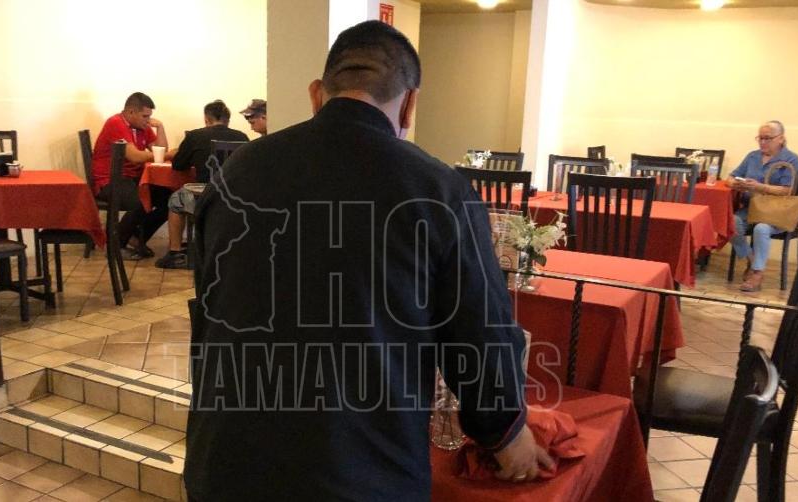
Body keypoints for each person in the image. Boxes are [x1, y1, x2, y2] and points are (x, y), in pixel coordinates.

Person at [186, 21, 549, 501]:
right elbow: (478, 335)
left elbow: (209, 304)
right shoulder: (437, 190)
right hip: (359, 472)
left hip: (226, 462)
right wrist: (505, 433)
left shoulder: (235, 172)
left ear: (316, 95)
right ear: (410, 104)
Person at [155, 100, 249, 269]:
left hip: (203, 195)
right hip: (234, 197)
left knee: (176, 200)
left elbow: (178, 165)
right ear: (228, 120)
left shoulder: (195, 136)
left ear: (207, 119)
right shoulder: (242, 137)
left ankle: (175, 253)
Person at [91, 92, 172, 259]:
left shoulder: (142, 126)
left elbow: (160, 150)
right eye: (145, 116)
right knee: (141, 200)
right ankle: (115, 246)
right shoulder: (116, 123)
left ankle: (135, 238)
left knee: (171, 199)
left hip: (132, 178)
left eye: (150, 116)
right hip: (109, 180)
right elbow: (135, 156)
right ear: (131, 112)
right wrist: (168, 155)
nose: (148, 120)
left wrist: (160, 127)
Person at [727, 120, 798, 292]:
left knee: (761, 228)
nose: (762, 142)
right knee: (730, 221)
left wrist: (760, 187)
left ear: (781, 138)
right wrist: (736, 184)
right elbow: (731, 177)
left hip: (777, 212)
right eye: (760, 138)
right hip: (751, 208)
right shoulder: (752, 156)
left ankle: (757, 273)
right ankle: (753, 260)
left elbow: (788, 190)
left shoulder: (791, 160)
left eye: (767, 138)